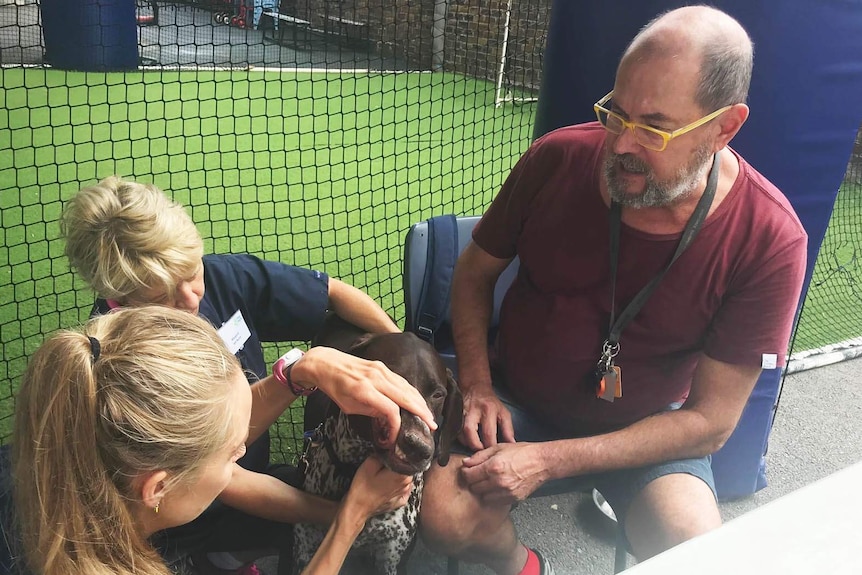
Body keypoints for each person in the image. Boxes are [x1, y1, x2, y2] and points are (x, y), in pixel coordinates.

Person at [419, 6, 808, 575]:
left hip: (646, 432)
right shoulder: (557, 158)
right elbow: (475, 271)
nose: (622, 144)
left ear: (725, 127)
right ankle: (523, 566)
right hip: (513, 404)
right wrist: (477, 385)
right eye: (616, 113)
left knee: (700, 553)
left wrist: (550, 462)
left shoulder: (769, 238)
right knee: (442, 513)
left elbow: (711, 421)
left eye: (653, 126)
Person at [59, 177, 436, 572]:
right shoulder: (130, 367)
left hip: (229, 475)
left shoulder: (221, 277)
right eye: (160, 298)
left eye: (192, 271)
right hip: (178, 522)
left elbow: (334, 293)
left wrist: (402, 355)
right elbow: (224, 478)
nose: (192, 299)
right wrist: (348, 512)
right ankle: (218, 560)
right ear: (120, 298)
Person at [9, 306, 416, 575]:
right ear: (158, 487)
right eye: (231, 455)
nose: (242, 454)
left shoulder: (62, 459)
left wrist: (298, 372)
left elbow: (201, 438)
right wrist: (351, 518)